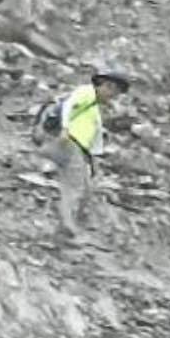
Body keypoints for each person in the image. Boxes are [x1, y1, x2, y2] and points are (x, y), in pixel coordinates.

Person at [54, 62, 130, 239]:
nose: (112, 97)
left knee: (86, 189)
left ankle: (70, 225)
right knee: (74, 186)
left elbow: (95, 139)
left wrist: (95, 162)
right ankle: (66, 226)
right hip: (70, 142)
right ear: (106, 85)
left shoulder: (94, 108)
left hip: (80, 150)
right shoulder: (86, 92)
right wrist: (64, 129)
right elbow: (68, 106)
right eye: (113, 91)